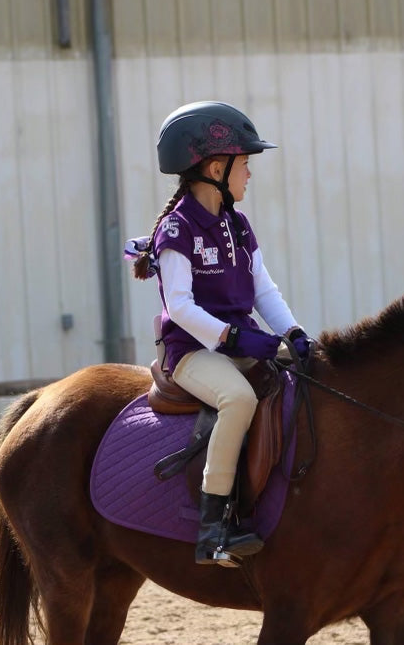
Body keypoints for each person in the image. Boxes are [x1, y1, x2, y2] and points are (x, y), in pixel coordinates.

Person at [128, 101, 310, 566]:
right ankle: (214, 528)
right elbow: (181, 307)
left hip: (238, 342)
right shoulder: (177, 229)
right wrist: (233, 339)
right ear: (215, 167)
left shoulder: (238, 224)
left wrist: (292, 331)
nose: (249, 174)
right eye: (244, 164)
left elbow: (263, 289)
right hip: (191, 353)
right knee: (238, 398)